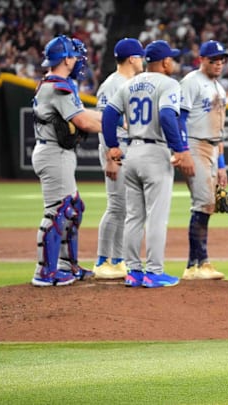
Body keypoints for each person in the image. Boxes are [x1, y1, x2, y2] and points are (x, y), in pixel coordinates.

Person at [101, 39, 195, 288]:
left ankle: (133, 271)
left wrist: (112, 146)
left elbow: (109, 114)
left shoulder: (129, 83)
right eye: (171, 58)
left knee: (134, 216)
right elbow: (166, 115)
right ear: (164, 62)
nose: (173, 62)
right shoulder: (169, 83)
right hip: (155, 153)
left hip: (131, 153)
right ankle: (154, 272)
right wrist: (180, 149)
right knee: (156, 217)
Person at [30, 35, 102, 287]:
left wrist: (110, 119)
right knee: (57, 211)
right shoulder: (58, 86)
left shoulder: (55, 83)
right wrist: (112, 127)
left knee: (74, 208)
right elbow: (82, 121)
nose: (77, 60)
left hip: (56, 153)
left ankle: (65, 265)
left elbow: (84, 115)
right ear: (66, 59)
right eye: (74, 55)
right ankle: (45, 272)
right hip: (53, 154)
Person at [92, 38, 145, 279]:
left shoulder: (131, 83)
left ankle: (118, 259)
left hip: (129, 150)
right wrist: (109, 158)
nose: (143, 60)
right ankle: (102, 260)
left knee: (125, 209)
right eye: (141, 56)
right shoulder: (111, 84)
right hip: (116, 150)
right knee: (116, 206)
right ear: (132, 58)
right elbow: (105, 123)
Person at [178, 40, 228, 281]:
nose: (219, 63)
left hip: (212, 147)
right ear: (203, 60)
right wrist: (183, 150)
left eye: (222, 60)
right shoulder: (191, 82)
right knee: (203, 202)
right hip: (195, 144)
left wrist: (221, 165)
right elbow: (180, 118)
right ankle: (194, 265)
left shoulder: (219, 88)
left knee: (208, 204)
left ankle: (201, 262)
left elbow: (219, 131)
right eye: (214, 60)